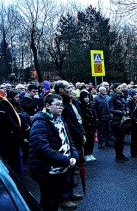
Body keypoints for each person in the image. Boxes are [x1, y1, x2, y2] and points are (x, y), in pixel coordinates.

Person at [29, 93, 79, 211]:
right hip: (48, 171)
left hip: (62, 168)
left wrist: (74, 157)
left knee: (56, 200)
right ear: (47, 105)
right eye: (57, 105)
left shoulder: (60, 119)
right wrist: (67, 160)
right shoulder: (40, 122)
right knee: (48, 202)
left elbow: (69, 141)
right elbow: (42, 149)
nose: (61, 107)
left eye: (62, 105)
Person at [54, 80, 85, 209]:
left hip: (74, 139)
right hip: (67, 140)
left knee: (72, 168)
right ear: (60, 90)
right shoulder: (61, 104)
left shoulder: (69, 103)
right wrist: (79, 134)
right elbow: (69, 124)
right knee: (66, 168)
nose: (70, 89)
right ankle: (64, 198)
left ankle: (70, 193)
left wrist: (82, 133)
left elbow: (76, 121)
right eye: (68, 87)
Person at [0, 88, 23, 175]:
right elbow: (7, 119)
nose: (4, 90)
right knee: (11, 158)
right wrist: (18, 131)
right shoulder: (1, 102)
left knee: (14, 157)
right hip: (8, 136)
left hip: (11, 135)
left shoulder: (3, 100)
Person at [7, 90, 32, 165]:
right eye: (16, 97)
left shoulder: (19, 106)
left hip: (26, 127)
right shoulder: (9, 107)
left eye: (18, 97)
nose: (18, 99)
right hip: (20, 129)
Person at [109, 83, 130, 163]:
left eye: (120, 88)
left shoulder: (121, 97)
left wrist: (127, 109)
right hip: (117, 120)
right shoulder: (112, 98)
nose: (120, 89)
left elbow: (125, 105)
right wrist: (121, 112)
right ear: (114, 89)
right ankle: (118, 155)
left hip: (123, 120)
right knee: (118, 139)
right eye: (118, 88)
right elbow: (111, 110)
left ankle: (121, 154)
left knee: (122, 138)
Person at [79, 91, 97, 162]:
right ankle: (86, 154)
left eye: (88, 97)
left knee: (91, 140)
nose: (87, 99)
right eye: (85, 97)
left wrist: (96, 124)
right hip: (85, 125)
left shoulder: (91, 105)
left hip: (91, 125)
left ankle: (90, 153)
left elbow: (94, 115)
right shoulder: (80, 106)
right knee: (86, 141)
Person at [126, 88, 137, 158]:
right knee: (134, 137)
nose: (136, 96)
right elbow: (129, 113)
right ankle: (133, 153)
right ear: (131, 95)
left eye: (136, 94)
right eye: (134, 94)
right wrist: (136, 120)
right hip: (132, 120)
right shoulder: (128, 102)